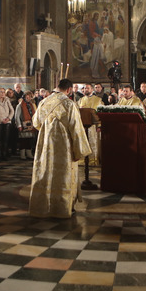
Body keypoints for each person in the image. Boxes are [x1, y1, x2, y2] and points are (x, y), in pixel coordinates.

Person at [29, 79, 92, 218]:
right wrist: (79, 150)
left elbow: (36, 122)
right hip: (63, 147)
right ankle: (62, 207)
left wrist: (48, 132)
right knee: (63, 175)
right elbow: (75, 128)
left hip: (45, 146)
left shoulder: (44, 102)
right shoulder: (69, 104)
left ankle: (44, 206)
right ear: (69, 90)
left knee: (45, 173)